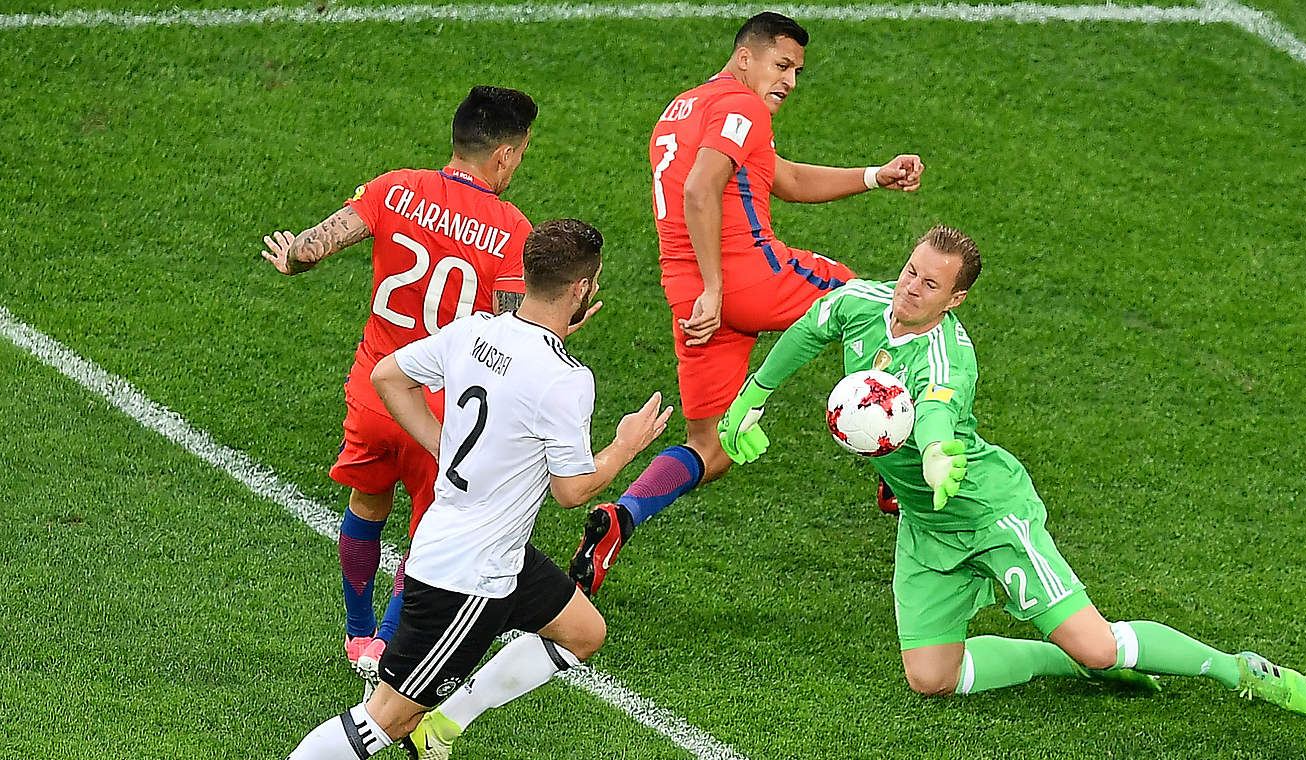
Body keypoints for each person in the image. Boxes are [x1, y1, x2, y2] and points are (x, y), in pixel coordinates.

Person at [716, 224, 1306, 716]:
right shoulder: (859, 303)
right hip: (927, 527)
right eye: (910, 271)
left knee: (1101, 644)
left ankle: (1236, 668)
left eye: (931, 285)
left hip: (986, 509)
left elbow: (935, 413)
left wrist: (933, 453)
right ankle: (1066, 663)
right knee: (931, 677)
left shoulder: (949, 355)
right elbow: (808, 330)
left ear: (955, 299)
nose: (911, 288)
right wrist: (753, 395)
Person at [285, 218, 673, 760]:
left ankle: (442, 726)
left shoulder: (475, 331)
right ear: (583, 290)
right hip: (468, 580)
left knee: (583, 631)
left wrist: (442, 445)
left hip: (493, 552)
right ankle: (409, 727)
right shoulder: (565, 379)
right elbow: (572, 490)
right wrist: (627, 446)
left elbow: (389, 376)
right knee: (384, 720)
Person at [569, 11, 926, 595]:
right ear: (745, 58)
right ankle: (894, 463)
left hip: (689, 297)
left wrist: (872, 176)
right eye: (781, 65)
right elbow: (700, 187)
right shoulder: (742, 104)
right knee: (874, 304)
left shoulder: (683, 108)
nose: (788, 81)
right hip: (743, 276)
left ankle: (620, 518)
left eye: (797, 71)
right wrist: (718, 284)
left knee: (712, 447)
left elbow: (779, 177)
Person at [260, 86, 567, 678]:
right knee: (429, 535)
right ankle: (391, 647)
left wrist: (293, 257)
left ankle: (357, 634)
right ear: (504, 155)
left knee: (365, 502)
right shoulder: (510, 229)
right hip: (447, 418)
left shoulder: (396, 187)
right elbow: (515, 330)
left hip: (377, 391)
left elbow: (315, 245)